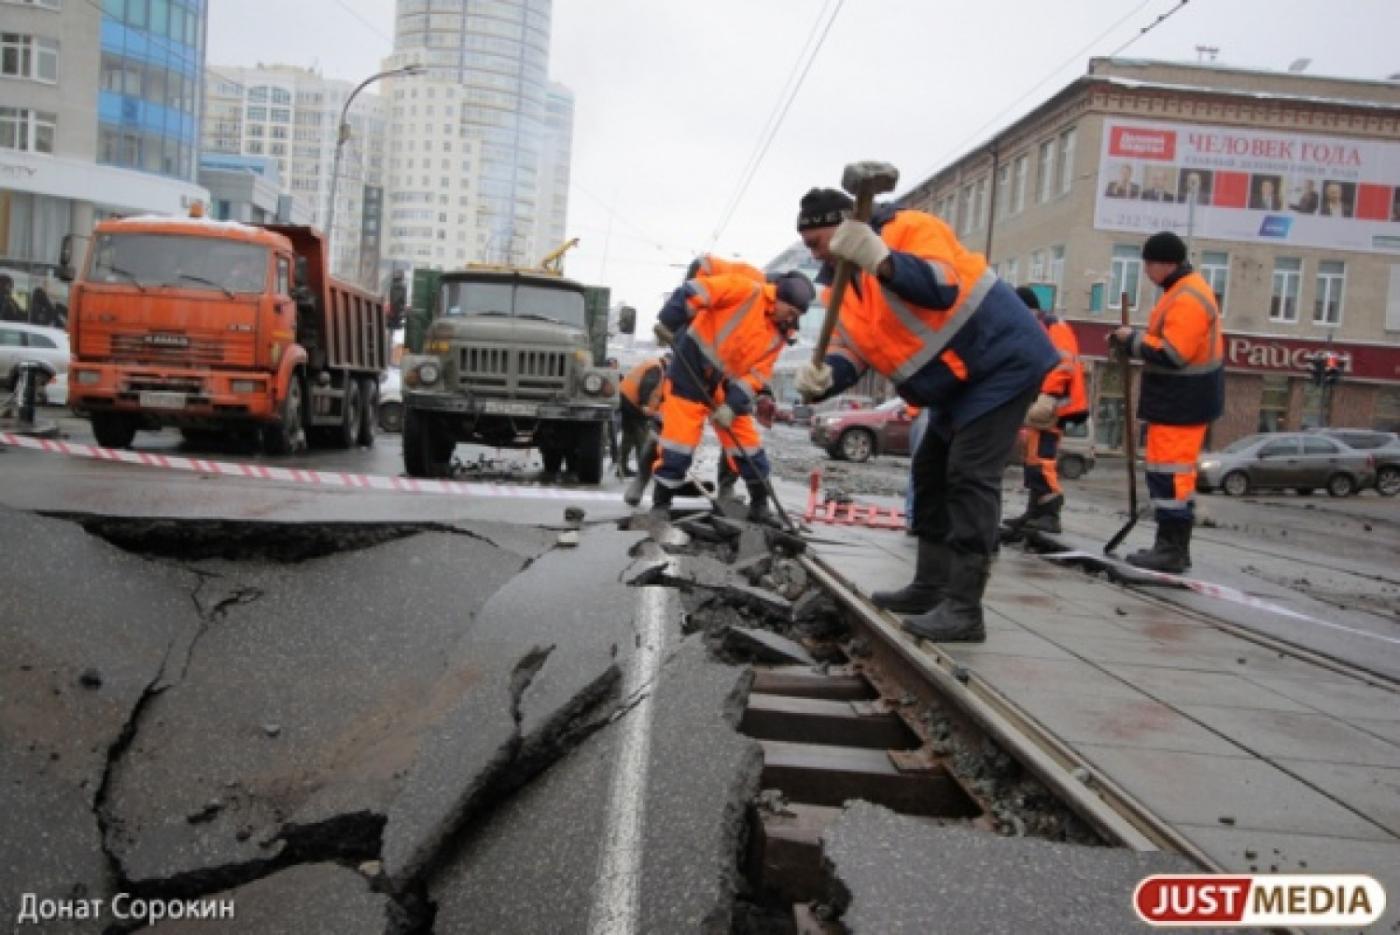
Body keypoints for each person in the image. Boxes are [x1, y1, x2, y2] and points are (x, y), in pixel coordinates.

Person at [793, 186, 1058, 643]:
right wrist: (825, 379)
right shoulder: (843, 287)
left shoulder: (909, 228)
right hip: (955, 383)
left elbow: (941, 286)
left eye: (817, 243)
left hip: (999, 360)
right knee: (931, 472)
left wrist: (883, 259)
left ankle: (963, 609)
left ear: (841, 226)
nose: (817, 257)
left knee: (970, 475)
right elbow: (853, 352)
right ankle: (931, 587)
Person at [650, 266, 813, 523]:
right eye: (791, 312)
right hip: (690, 371)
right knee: (678, 443)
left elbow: (758, 375)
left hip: (727, 386)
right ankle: (661, 505)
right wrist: (669, 321)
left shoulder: (782, 333)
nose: (791, 320)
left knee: (748, 445)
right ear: (779, 298)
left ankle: (760, 504)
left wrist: (732, 405)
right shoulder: (745, 290)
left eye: (796, 316)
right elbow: (697, 290)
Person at [1109, 231, 1224, 573]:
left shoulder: (1187, 297)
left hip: (1181, 402)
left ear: (1166, 263)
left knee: (1170, 475)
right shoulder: (1180, 291)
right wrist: (1130, 342)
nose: (1145, 271)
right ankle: (1171, 547)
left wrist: (1132, 341)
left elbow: (1174, 354)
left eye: (1148, 264)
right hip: (1178, 401)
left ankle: (1171, 549)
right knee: (1173, 476)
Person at [1002, 286, 1088, 538]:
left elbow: (1062, 363)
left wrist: (1048, 395)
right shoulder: (1041, 325)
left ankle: (1049, 513)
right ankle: (1036, 510)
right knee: (1034, 457)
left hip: (1053, 402)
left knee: (1042, 457)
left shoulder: (1052, 326)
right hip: (1045, 401)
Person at [619, 353, 668, 504]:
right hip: (635, 403)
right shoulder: (657, 369)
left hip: (626, 398)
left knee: (629, 435)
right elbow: (647, 386)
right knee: (642, 437)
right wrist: (644, 405)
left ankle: (622, 466)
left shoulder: (655, 365)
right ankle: (644, 471)